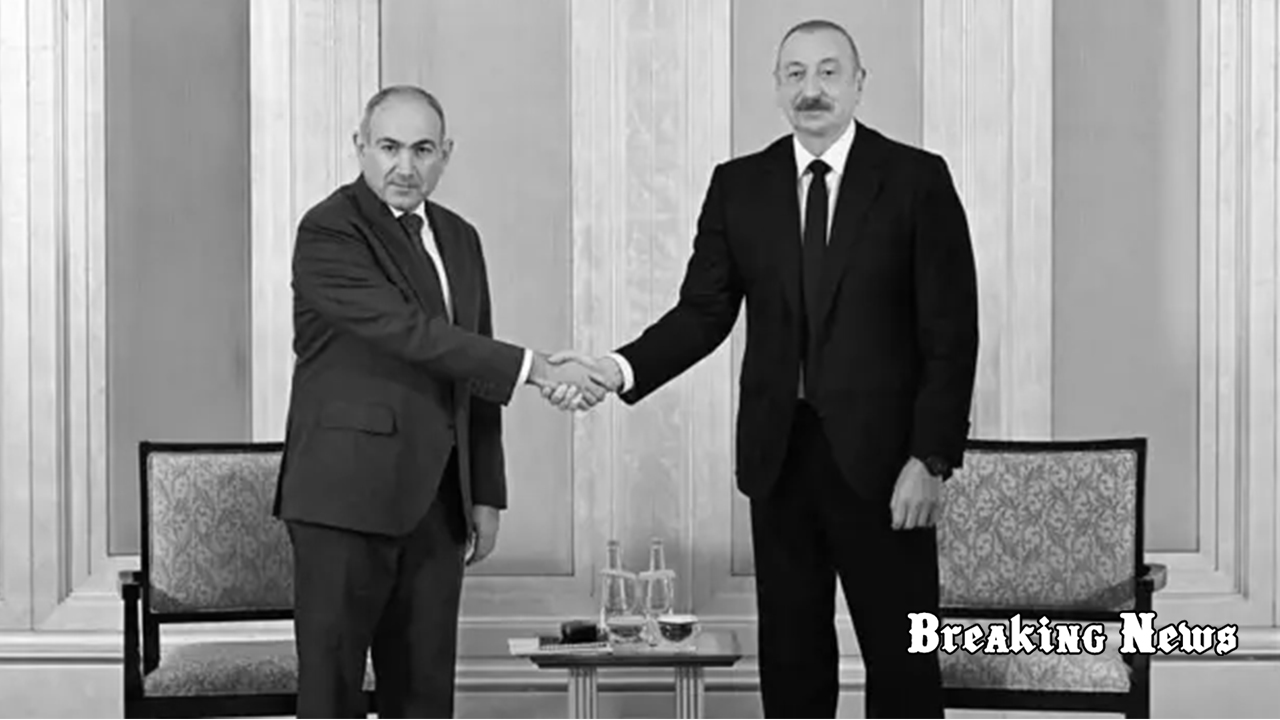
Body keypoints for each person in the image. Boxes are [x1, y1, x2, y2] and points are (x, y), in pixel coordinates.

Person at [549, 19, 979, 719]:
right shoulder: (739, 186)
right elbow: (702, 313)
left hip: (888, 467)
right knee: (792, 662)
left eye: (829, 72)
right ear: (777, 88)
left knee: (902, 665)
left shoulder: (916, 180)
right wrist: (614, 368)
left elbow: (952, 333)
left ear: (859, 83)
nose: (813, 89)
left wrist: (930, 458)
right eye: (795, 74)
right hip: (779, 460)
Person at [272, 84, 606, 718]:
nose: (405, 166)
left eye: (423, 150)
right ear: (360, 147)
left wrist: (485, 493)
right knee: (332, 696)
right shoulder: (329, 230)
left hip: (437, 503)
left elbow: (469, 369)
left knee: (425, 697)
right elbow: (413, 334)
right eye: (389, 147)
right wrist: (537, 368)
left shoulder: (460, 237)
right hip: (342, 500)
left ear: (445, 155)